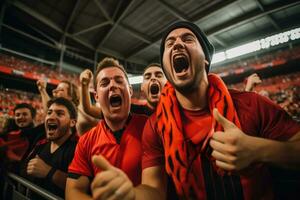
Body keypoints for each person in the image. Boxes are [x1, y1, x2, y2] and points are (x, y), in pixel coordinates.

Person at [86, 21, 300, 200]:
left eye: (187, 39)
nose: (177, 44)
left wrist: (259, 150)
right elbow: (153, 190)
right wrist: (131, 194)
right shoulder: (155, 126)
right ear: (167, 68)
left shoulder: (250, 104)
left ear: (205, 59)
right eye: (170, 43)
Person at [66, 57, 148, 199]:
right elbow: (72, 192)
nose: (112, 85)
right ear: (96, 96)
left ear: (130, 91)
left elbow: (157, 187)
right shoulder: (86, 141)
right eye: (105, 83)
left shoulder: (150, 128)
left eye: (119, 80)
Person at [21, 97, 78, 198]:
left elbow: (81, 188)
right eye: (49, 112)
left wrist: (49, 172)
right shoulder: (40, 144)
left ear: (72, 122)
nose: (51, 117)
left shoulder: (78, 149)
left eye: (59, 114)